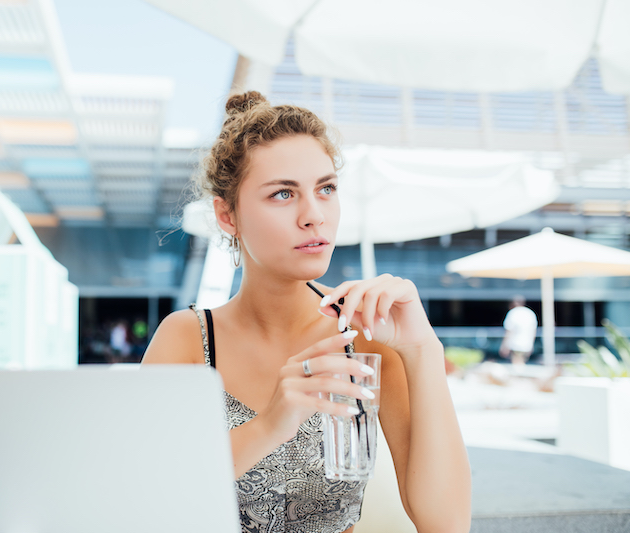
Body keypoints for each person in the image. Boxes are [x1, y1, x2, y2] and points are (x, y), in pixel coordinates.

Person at [142, 92, 471, 533]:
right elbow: (147, 501)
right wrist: (269, 426)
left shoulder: (366, 333)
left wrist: (423, 348)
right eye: (283, 194)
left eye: (326, 189)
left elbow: (447, 523)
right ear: (227, 215)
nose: (314, 215)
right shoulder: (186, 339)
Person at [499, 296, 538, 366]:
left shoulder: (512, 313)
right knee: (522, 363)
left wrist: (504, 345)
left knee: (517, 364)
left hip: (515, 344)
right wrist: (531, 344)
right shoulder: (530, 313)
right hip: (527, 344)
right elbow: (533, 331)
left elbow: (509, 331)